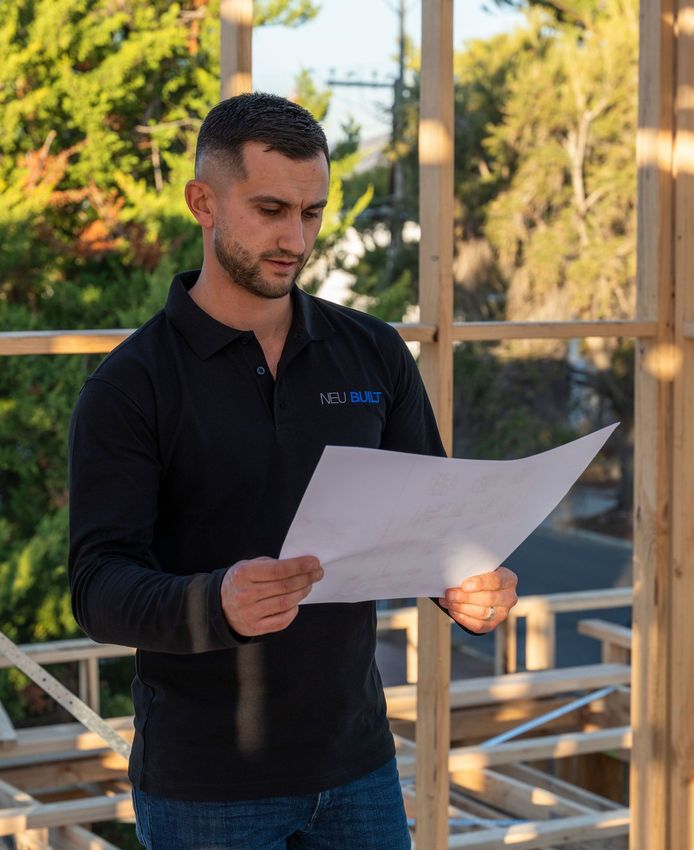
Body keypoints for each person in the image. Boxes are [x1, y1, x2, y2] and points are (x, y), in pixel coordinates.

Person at [68, 92, 518, 850]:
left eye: (311, 213)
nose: (295, 238)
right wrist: (217, 602)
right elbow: (97, 586)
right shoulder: (130, 384)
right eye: (271, 209)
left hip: (359, 766)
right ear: (202, 203)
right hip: (205, 786)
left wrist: (465, 581)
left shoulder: (372, 351)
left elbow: (433, 521)